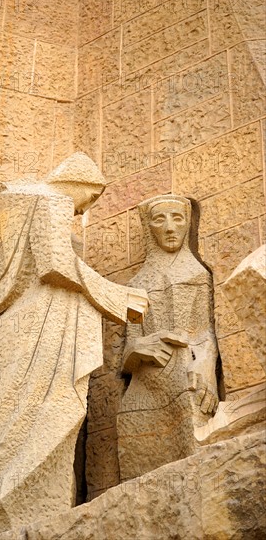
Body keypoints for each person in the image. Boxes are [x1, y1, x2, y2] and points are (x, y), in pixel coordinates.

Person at [0, 153, 148, 538]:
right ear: (80, 183)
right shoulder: (51, 199)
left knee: (14, 414)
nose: (85, 210)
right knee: (40, 412)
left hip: (26, 319)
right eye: (90, 199)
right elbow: (54, 262)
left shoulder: (18, 199)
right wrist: (115, 296)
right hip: (46, 317)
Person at [117, 194, 219, 481]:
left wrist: (206, 366)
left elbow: (206, 331)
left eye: (178, 218)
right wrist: (137, 348)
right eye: (160, 219)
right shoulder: (137, 284)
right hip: (144, 387)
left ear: (188, 222)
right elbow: (129, 348)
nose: (170, 227)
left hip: (184, 374)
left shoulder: (196, 274)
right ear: (149, 226)